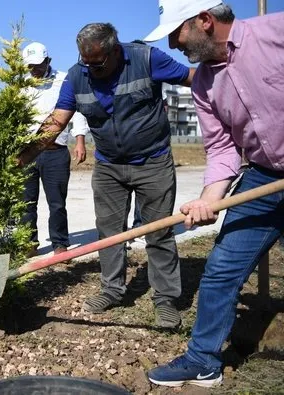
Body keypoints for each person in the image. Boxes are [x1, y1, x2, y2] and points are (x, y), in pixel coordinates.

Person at [143, 1, 284, 387]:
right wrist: (209, 198)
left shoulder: (275, 33)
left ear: (205, 21)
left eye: (178, 32)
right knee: (221, 269)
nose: (173, 44)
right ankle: (203, 359)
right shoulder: (204, 84)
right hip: (263, 179)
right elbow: (222, 150)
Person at [17, 23, 193, 329]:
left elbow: (196, 79)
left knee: (158, 232)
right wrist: (21, 158)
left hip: (153, 162)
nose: (91, 69)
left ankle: (165, 299)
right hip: (109, 166)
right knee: (109, 232)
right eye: (85, 62)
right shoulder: (76, 75)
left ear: (115, 51)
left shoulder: (147, 59)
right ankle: (112, 289)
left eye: (96, 63)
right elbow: (57, 122)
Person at [20, 42, 89, 258]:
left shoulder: (64, 81)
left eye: (38, 66)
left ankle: (60, 243)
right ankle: (28, 243)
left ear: (48, 61)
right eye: (30, 66)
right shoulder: (20, 85)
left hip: (56, 152)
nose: (34, 71)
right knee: (26, 203)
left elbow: (76, 112)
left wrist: (80, 140)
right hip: (27, 153)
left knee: (57, 203)